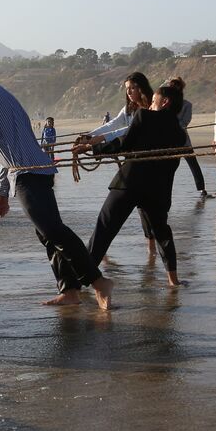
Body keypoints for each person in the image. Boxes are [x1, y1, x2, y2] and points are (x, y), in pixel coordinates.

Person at [0, 60, 113, 309]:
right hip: (34, 171)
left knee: (54, 231)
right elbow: (6, 147)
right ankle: (70, 291)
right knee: (48, 232)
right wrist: (1, 191)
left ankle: (98, 282)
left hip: (30, 173)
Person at [78, 85, 187, 287]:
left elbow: (124, 143)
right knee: (162, 233)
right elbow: (172, 165)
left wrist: (93, 148)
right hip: (158, 191)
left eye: (154, 101)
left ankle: (79, 280)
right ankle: (174, 280)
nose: (151, 104)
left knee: (104, 229)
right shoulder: (180, 134)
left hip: (129, 183)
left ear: (165, 102)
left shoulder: (143, 116)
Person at [163, 77, 208, 195]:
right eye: (172, 87)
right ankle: (164, 190)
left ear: (181, 89)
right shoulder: (165, 103)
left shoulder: (187, 105)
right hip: (168, 141)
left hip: (183, 140)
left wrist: (172, 124)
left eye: (176, 87)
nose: (174, 90)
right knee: (168, 167)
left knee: (193, 164)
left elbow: (185, 122)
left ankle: (202, 189)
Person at [86, 72, 153, 144]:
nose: (129, 92)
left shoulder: (152, 107)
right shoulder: (128, 108)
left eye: (132, 88)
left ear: (141, 88)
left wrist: (103, 137)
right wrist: (89, 135)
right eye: (127, 89)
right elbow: (114, 123)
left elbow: (133, 129)